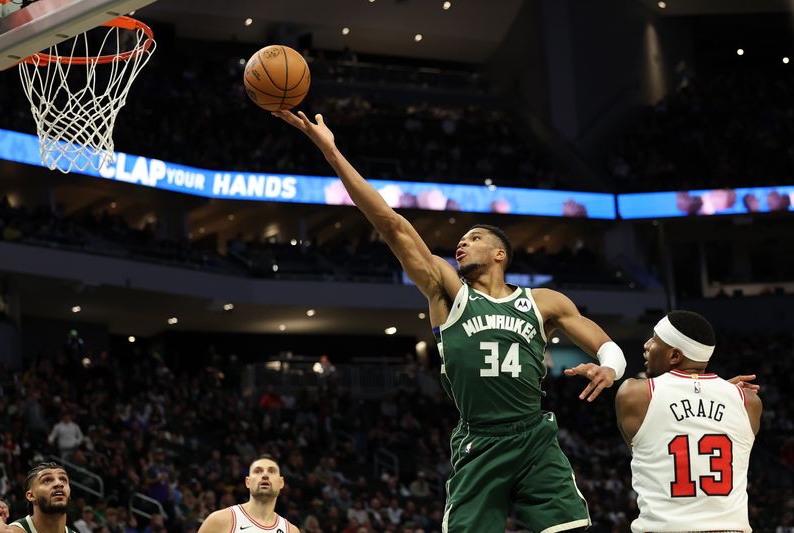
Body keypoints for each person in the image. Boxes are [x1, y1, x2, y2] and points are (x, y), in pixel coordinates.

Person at [274, 110, 628, 532]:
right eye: (460, 240)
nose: (462, 242)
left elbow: (604, 345)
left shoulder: (543, 301)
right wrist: (331, 152)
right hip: (480, 440)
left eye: (474, 238)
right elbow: (392, 225)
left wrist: (611, 367)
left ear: (501, 255)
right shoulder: (449, 292)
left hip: (534, 436)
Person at [615, 310, 762, 533]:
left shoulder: (634, 394)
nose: (646, 345)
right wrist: (718, 391)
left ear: (674, 355)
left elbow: (643, 452)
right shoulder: (748, 402)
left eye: (654, 340)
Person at [197, 456, 299, 533]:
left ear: (281, 483)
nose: (265, 475)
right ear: (248, 482)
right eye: (258, 471)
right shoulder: (220, 520)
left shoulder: (291, 530)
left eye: (271, 471)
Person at [10, 461, 75, 533]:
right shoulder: (12, 531)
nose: (58, 483)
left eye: (63, 480)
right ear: (31, 495)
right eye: (46, 481)